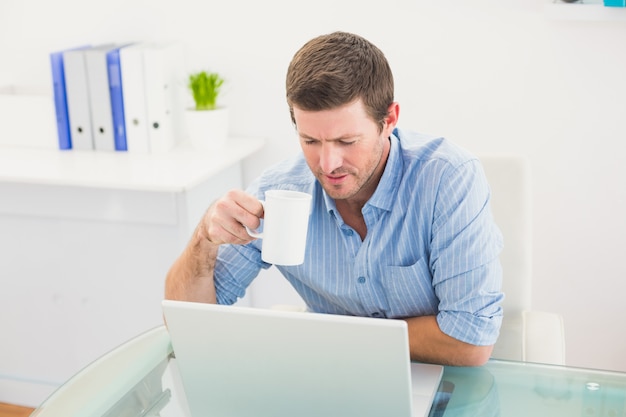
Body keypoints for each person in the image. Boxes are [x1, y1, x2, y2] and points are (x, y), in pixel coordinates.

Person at [165, 31, 504, 367]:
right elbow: (188, 324)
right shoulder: (281, 190)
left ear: (389, 120)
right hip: (331, 377)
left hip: (435, 378)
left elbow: (470, 341)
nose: (327, 165)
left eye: (346, 140)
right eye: (310, 141)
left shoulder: (448, 179)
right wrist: (204, 240)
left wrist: (335, 339)